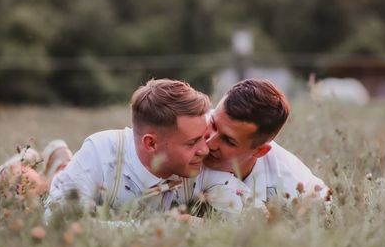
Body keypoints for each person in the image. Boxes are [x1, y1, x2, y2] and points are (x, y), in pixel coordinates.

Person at [44, 79, 249, 218]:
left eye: (204, 137)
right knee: (36, 185)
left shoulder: (200, 165)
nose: (205, 150)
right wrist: (150, 227)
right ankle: (55, 167)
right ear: (151, 143)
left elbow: (253, 214)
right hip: (75, 178)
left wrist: (206, 227)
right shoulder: (100, 151)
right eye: (192, 142)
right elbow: (58, 220)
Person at [203, 79, 331, 208]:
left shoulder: (291, 180)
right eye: (213, 124)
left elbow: (327, 206)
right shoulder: (186, 127)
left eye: (228, 141)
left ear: (260, 151)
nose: (209, 143)